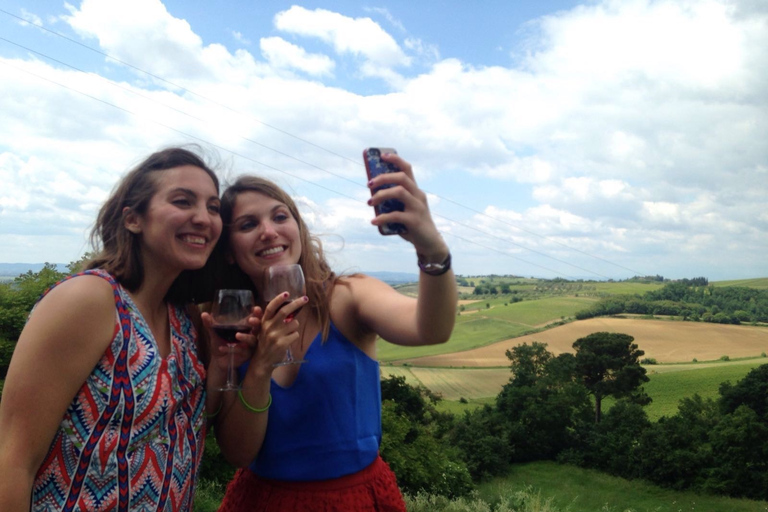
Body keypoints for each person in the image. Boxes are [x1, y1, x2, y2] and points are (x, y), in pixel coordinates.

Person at [209, 151, 457, 511]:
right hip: (262, 501)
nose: (268, 231)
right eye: (248, 225)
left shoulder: (347, 297)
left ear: (298, 229)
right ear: (229, 252)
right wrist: (260, 367)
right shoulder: (231, 325)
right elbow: (238, 453)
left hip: (353, 500)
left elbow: (430, 329)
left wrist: (430, 245)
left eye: (280, 216)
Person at [0, 147, 231, 511]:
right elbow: (12, 460)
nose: (203, 218)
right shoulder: (90, 300)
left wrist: (222, 363)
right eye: (183, 201)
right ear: (133, 219)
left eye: (213, 207)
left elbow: (192, 426)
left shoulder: (184, 318)